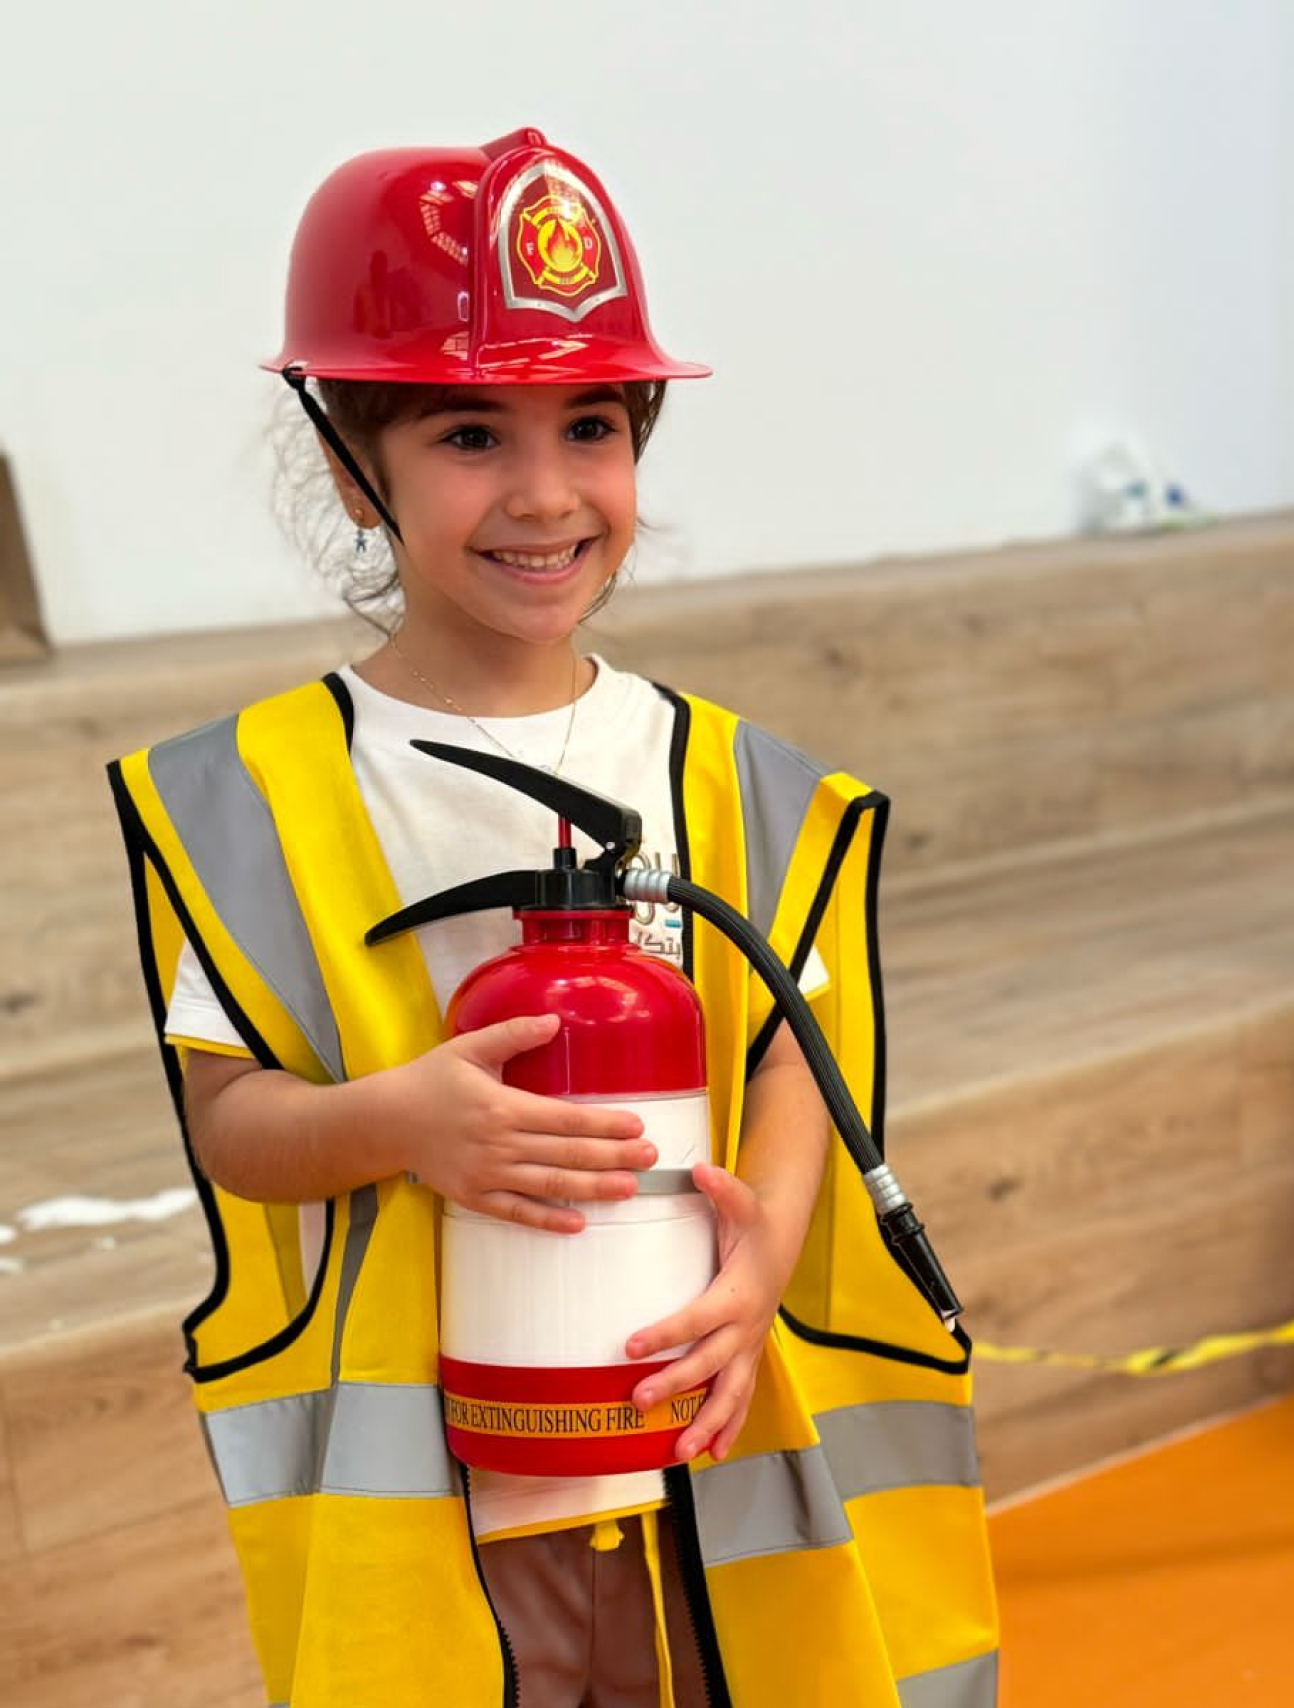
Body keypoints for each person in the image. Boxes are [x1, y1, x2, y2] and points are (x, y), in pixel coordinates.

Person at [108, 128, 998, 1708]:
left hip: (710, 1472)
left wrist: (765, 1251)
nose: (544, 494)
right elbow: (230, 1122)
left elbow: (792, 1054)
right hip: (446, 1500)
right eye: (468, 432)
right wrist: (402, 1123)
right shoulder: (255, 796)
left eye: (591, 424)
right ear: (344, 457)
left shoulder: (742, 782)